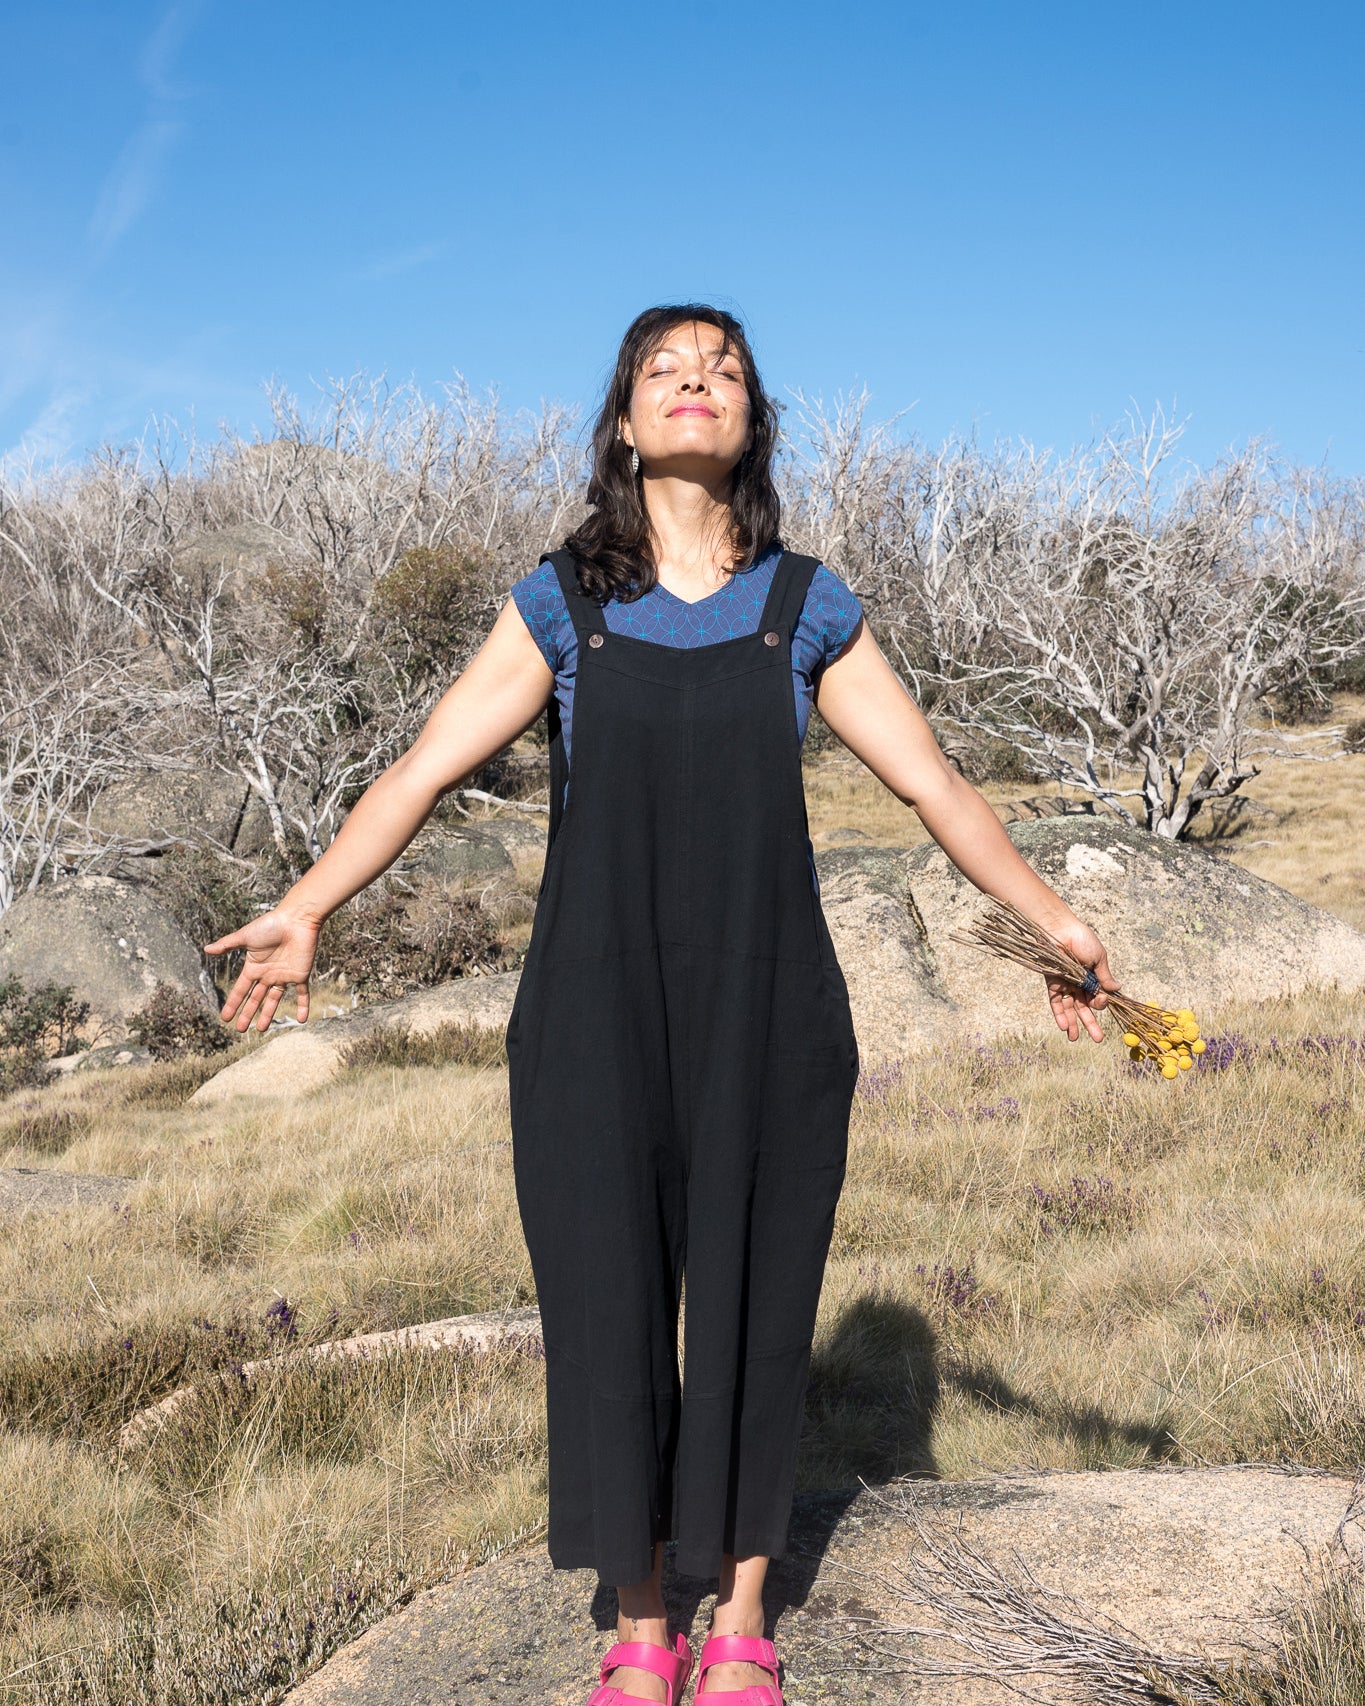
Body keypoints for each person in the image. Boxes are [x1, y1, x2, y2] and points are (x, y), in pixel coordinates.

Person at [205, 304, 1118, 1706]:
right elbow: (420, 770)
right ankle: (638, 1616)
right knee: (606, 1299)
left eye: (724, 367)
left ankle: (742, 1608)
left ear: (748, 419)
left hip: (771, 1010)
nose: (696, 380)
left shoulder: (803, 606)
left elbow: (933, 783)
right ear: (624, 425)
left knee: (756, 1300)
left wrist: (1052, 921)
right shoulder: (560, 602)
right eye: (663, 368)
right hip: (591, 1011)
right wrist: (310, 902)